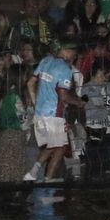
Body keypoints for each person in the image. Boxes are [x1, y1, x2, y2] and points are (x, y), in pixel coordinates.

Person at [26, 41, 80, 183]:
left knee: (54, 145)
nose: (73, 59)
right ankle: (46, 178)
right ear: (67, 51)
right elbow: (63, 96)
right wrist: (79, 102)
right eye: (74, 55)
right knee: (60, 147)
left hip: (40, 114)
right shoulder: (65, 69)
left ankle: (34, 172)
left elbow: (30, 83)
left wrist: (35, 102)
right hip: (54, 114)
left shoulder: (45, 61)